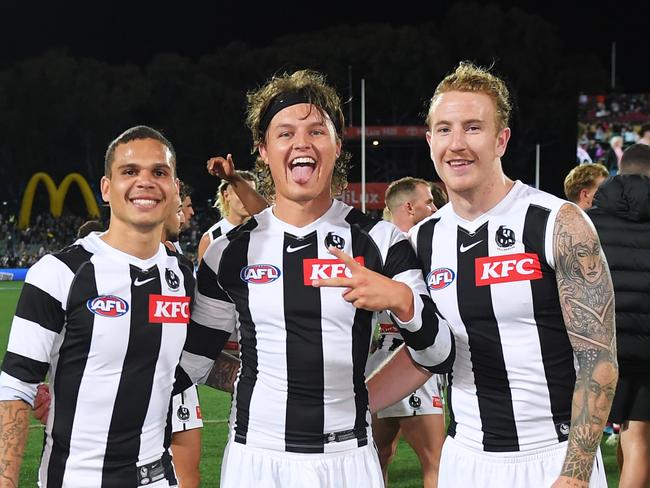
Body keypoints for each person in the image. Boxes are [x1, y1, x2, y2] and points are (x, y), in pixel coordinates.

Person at [175, 69, 454, 488]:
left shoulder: (380, 241)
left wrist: (402, 300)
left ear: (337, 146)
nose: (301, 142)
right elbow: (194, 362)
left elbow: (440, 354)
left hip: (348, 458)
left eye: (316, 131)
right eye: (285, 133)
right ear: (264, 150)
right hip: (256, 458)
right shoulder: (227, 251)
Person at [368, 61, 616, 488]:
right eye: (444, 129)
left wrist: (573, 476)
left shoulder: (558, 223)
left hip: (552, 456)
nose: (456, 144)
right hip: (466, 459)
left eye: (473, 128)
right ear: (430, 141)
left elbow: (599, 359)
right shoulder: (423, 240)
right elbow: (429, 354)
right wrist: (346, 409)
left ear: (501, 139)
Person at [0, 125, 194, 487]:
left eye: (159, 172)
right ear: (107, 188)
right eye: (130, 171)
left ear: (174, 189)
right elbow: (15, 387)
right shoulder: (59, 272)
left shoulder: (183, 277)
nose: (146, 182)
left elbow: (190, 362)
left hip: (160, 478)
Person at [366, 176, 445, 488]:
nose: (435, 207)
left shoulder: (371, 244)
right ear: (409, 207)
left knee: (378, 456)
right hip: (410, 358)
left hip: (376, 363)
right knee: (436, 461)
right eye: (429, 202)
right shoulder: (417, 248)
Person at [587, 143, 650, 488]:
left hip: (601, 344)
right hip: (646, 349)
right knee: (637, 436)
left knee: (587, 438)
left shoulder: (590, 221)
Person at [162, 194, 203, 488]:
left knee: (186, 476)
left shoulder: (181, 266)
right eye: (181, 208)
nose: (186, 215)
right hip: (146, 387)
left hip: (180, 384)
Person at [197, 165, 260, 262]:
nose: (247, 199)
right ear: (226, 195)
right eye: (241, 193)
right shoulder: (211, 238)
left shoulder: (263, 231)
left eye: (251, 194)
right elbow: (204, 276)